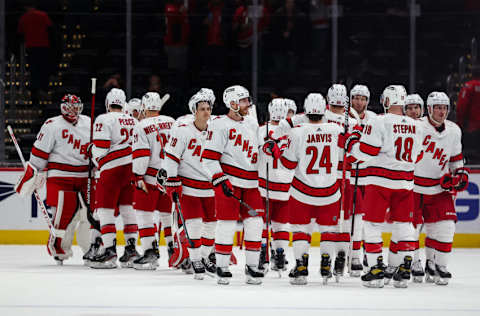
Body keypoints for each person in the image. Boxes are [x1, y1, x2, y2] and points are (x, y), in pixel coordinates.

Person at [346, 85, 424, 288]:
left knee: (372, 225)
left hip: (379, 182)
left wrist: (351, 143)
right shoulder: (418, 125)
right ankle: (404, 268)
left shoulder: (378, 120)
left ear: (387, 101)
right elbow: (420, 155)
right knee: (404, 225)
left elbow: (367, 151)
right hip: (405, 183)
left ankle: (376, 270)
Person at [268, 93, 344, 285]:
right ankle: (326, 263)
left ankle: (301, 266)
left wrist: (276, 149)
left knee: (300, 230)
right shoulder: (336, 129)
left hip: (302, 191)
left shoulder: (298, 131)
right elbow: (349, 152)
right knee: (328, 229)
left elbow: (287, 164)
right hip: (330, 191)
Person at [15, 95, 90, 264]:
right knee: (65, 217)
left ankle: (91, 250)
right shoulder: (52, 125)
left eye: (76, 107)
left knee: (89, 217)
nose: (73, 111)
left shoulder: (88, 122)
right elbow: (39, 154)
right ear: (63, 107)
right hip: (61, 177)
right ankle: (60, 250)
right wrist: (34, 172)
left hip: (85, 177)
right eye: (70, 107)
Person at [201, 85, 265, 285]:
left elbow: (259, 152)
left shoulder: (253, 124)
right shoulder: (219, 125)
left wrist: (270, 149)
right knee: (226, 224)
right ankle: (221, 266)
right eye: (244, 101)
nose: (248, 104)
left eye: (247, 100)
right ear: (233, 103)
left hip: (252, 182)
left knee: (255, 223)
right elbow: (208, 158)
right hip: (229, 180)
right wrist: (220, 179)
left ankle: (252, 267)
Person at [413, 92, 468, 285]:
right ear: (429, 109)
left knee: (445, 228)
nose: (441, 111)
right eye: (437, 107)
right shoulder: (417, 127)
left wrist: (459, 175)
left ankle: (437, 264)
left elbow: (455, 160)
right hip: (414, 187)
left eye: (444, 108)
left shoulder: (454, 130)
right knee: (410, 231)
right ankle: (414, 263)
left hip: (439, 188)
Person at [163, 91, 217, 280]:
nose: (206, 112)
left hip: (211, 187)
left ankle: (203, 257)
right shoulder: (183, 131)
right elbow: (171, 157)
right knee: (193, 225)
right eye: (202, 109)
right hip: (189, 187)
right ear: (194, 111)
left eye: (208, 109)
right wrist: (171, 179)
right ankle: (195, 261)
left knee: (211, 227)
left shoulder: (216, 131)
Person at [88, 88, 139, 269]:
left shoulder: (104, 118)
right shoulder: (133, 120)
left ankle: (109, 251)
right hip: (132, 167)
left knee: (105, 210)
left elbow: (101, 148)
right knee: (127, 209)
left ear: (108, 103)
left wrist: (92, 152)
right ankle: (131, 249)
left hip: (112, 168)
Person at [131, 92, 173, 270]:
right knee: (168, 215)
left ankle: (150, 252)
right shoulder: (173, 122)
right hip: (171, 176)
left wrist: (137, 175)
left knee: (144, 214)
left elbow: (141, 155)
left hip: (149, 176)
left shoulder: (141, 126)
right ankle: (176, 251)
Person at [321, 84, 358, 282]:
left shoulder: (350, 121)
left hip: (339, 175)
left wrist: (349, 144)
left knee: (340, 220)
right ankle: (334, 257)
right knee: (338, 220)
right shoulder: (349, 121)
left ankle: (336, 257)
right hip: (334, 174)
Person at [257, 98, 292, 273]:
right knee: (281, 224)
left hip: (265, 183)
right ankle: (280, 254)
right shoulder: (293, 130)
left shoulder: (261, 129)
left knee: (262, 223)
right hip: (286, 184)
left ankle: (262, 252)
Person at [348, 84, 374, 277]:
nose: (359, 102)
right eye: (356, 98)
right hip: (350, 174)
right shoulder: (343, 117)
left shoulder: (374, 119)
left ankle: (367, 252)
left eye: (363, 98)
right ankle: (354, 255)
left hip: (370, 174)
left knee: (369, 217)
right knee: (354, 217)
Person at [17, 2, 53, 103]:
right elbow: (50, 29)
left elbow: (20, 33)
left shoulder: (24, 17)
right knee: (43, 70)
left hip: (31, 47)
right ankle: (43, 90)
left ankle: (35, 95)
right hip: (44, 46)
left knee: (34, 71)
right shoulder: (43, 15)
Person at [456, 64, 480, 159]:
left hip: (471, 126)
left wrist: (460, 123)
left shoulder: (468, 86)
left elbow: (461, 106)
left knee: (471, 154)